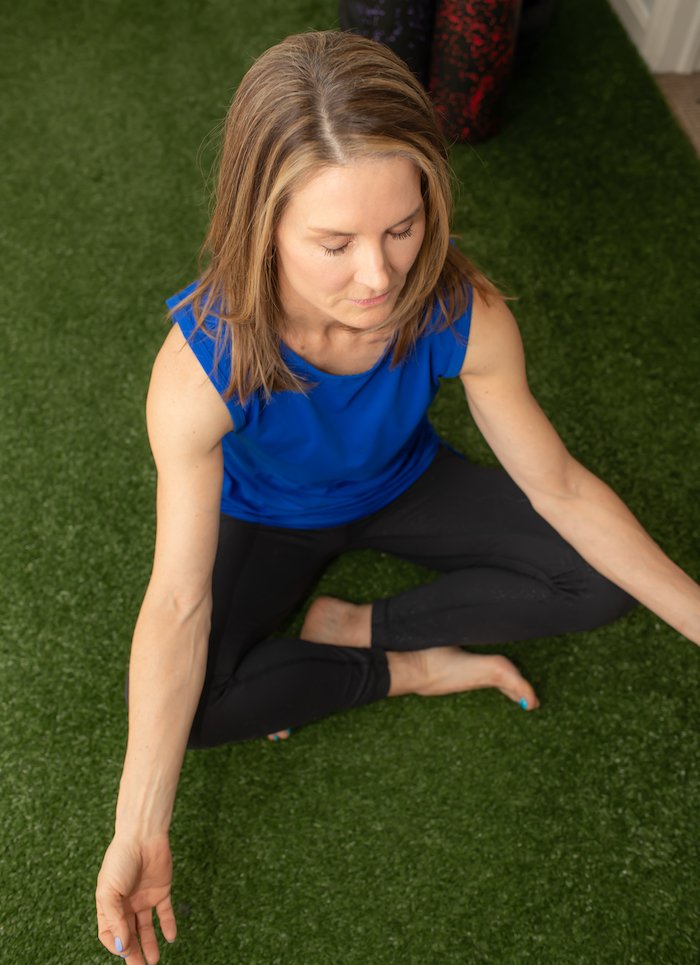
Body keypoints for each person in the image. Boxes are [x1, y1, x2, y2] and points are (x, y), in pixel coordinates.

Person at [95, 29, 700, 963]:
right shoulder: (197, 373)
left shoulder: (465, 311)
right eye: (333, 243)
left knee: (597, 583)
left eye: (402, 228)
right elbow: (177, 599)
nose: (378, 277)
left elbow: (562, 487)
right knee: (188, 716)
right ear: (265, 226)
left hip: (402, 481)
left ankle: (354, 623)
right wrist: (139, 823)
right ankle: (401, 665)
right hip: (267, 517)